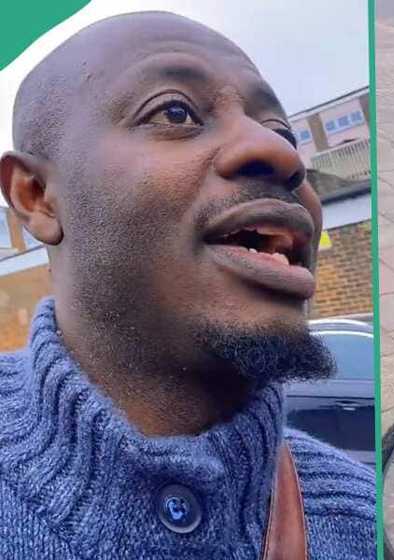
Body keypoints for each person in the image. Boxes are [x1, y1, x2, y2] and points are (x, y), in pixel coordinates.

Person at [0, 12, 375, 557]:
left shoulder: (363, 517)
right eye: (175, 112)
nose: (285, 157)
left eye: (283, 133)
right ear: (36, 196)